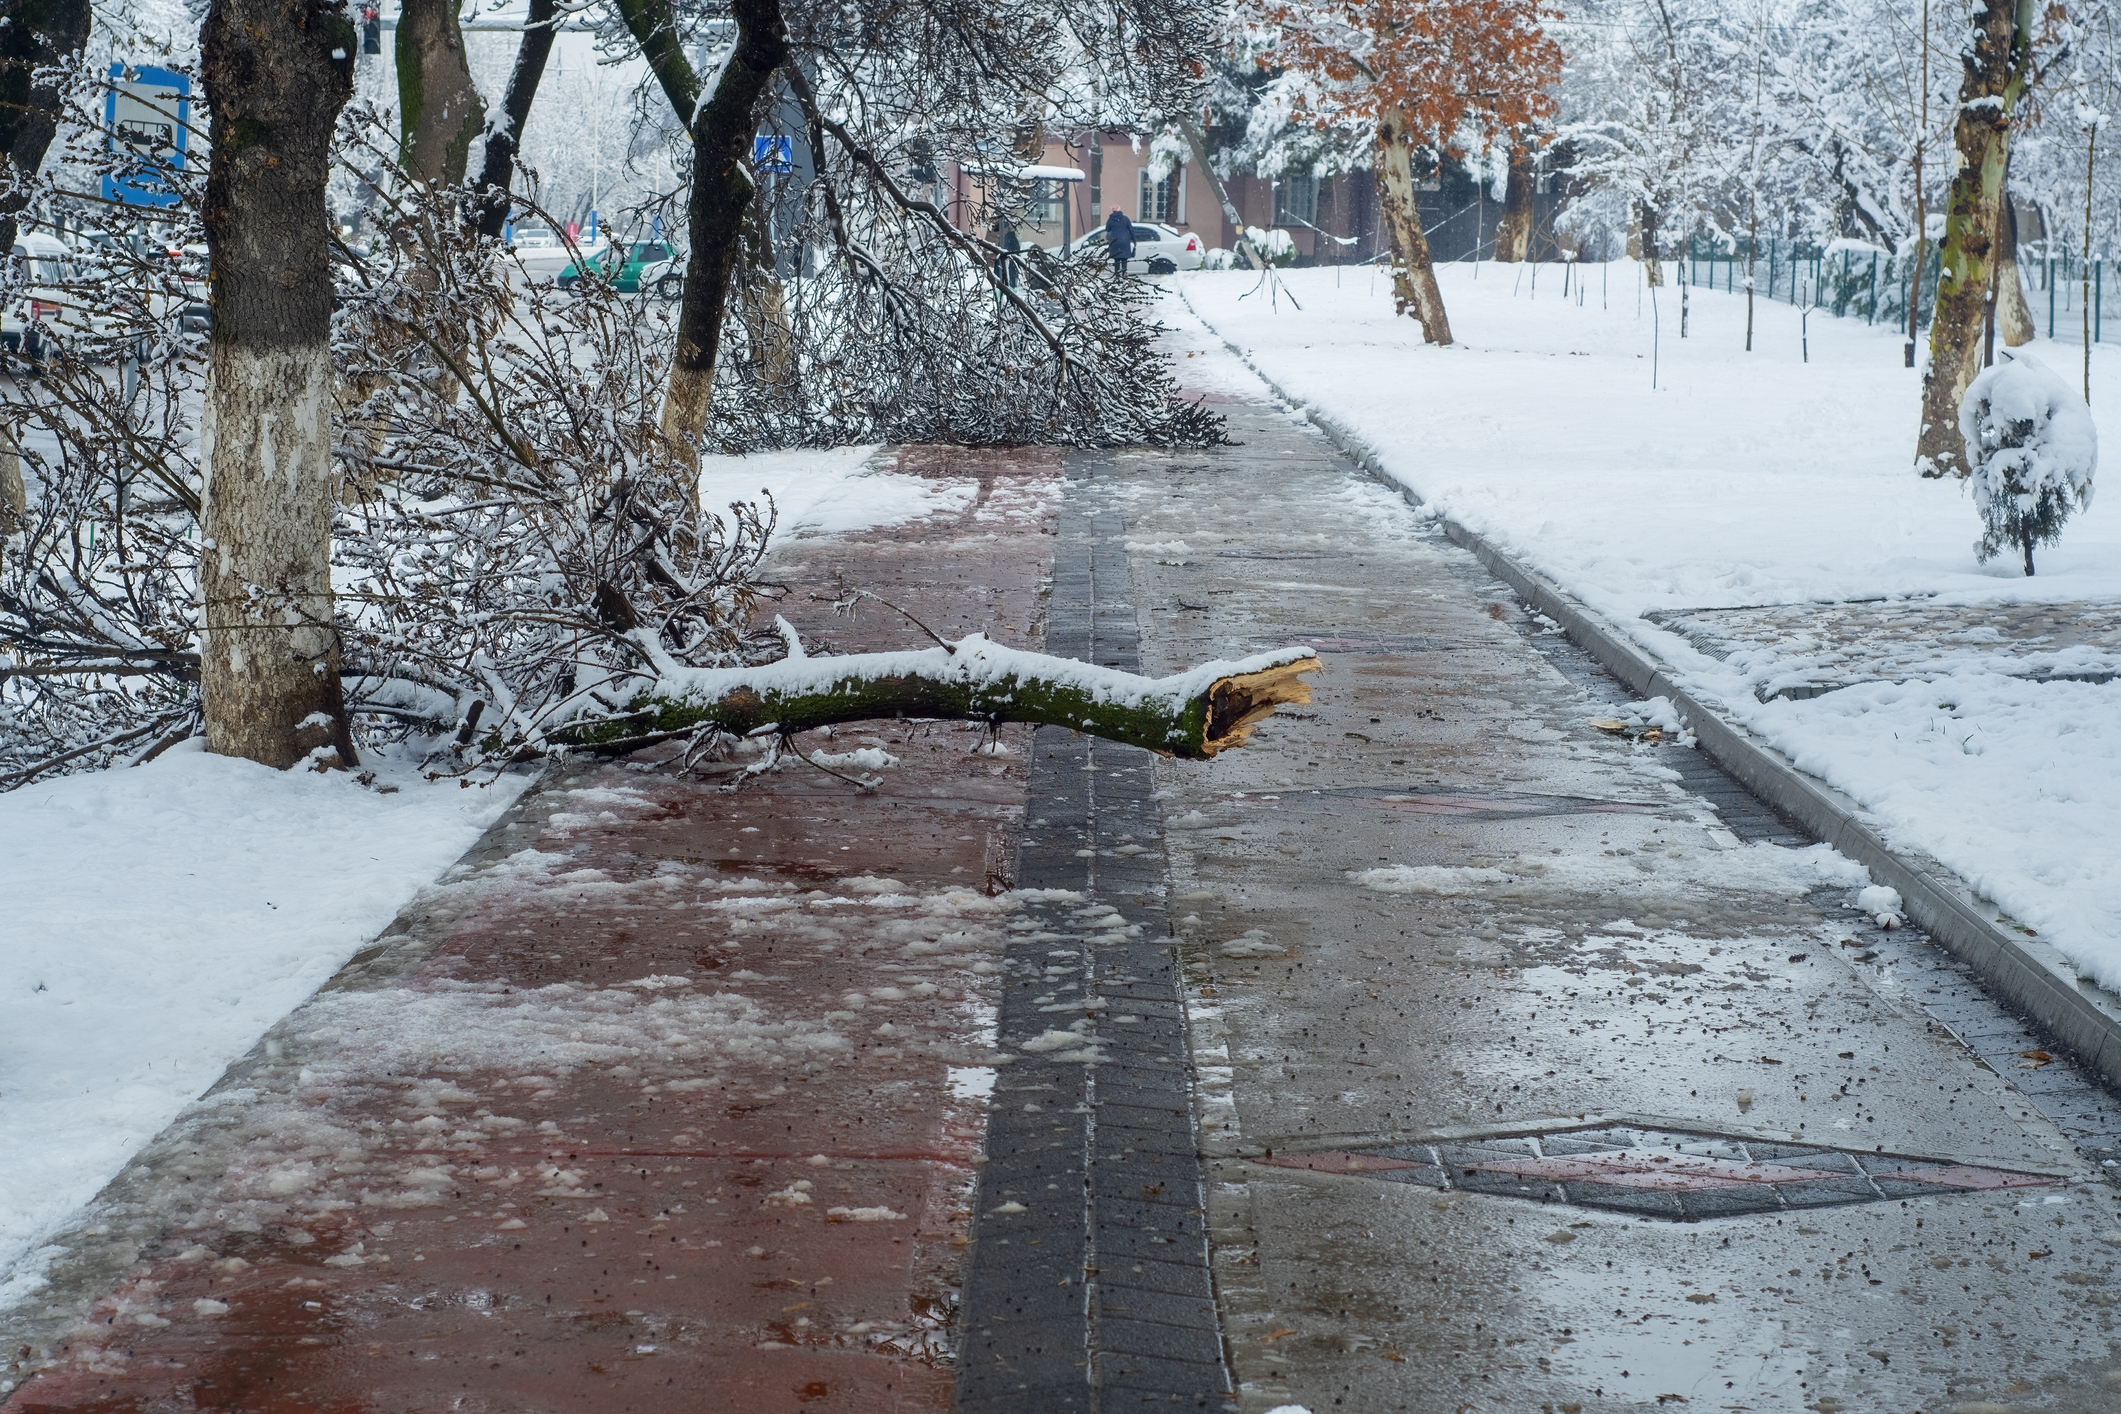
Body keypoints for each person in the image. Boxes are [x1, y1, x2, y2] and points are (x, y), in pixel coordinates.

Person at [1104, 205, 1134, 277]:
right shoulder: (1125, 219)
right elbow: (1131, 229)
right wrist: (1134, 239)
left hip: (1115, 241)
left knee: (1116, 259)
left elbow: (1107, 229)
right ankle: (1124, 274)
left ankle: (1117, 275)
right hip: (1125, 241)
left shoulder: (1110, 219)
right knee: (1124, 259)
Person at [994, 224, 1021, 290]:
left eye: (999, 232)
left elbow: (1010, 254)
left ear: (1006, 229)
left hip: (1009, 269)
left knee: (1009, 288)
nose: (999, 235)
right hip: (1004, 269)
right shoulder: (1004, 240)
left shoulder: (1010, 240)